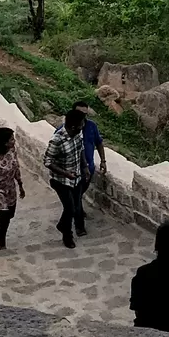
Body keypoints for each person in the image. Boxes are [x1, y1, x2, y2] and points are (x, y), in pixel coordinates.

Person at [44, 108, 87, 249]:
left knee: (76, 206)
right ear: (73, 126)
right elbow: (48, 161)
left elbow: (80, 150)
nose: (83, 127)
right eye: (81, 124)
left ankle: (63, 225)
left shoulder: (78, 134)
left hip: (77, 178)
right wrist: (65, 173)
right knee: (70, 209)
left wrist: (84, 166)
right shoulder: (57, 140)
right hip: (61, 180)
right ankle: (66, 234)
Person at [71, 97, 107, 236]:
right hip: (72, 172)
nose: (83, 117)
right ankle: (79, 226)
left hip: (88, 170)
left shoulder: (91, 126)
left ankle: (74, 214)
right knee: (76, 196)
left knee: (78, 196)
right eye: (80, 114)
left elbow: (99, 142)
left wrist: (103, 161)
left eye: (85, 114)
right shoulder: (66, 130)